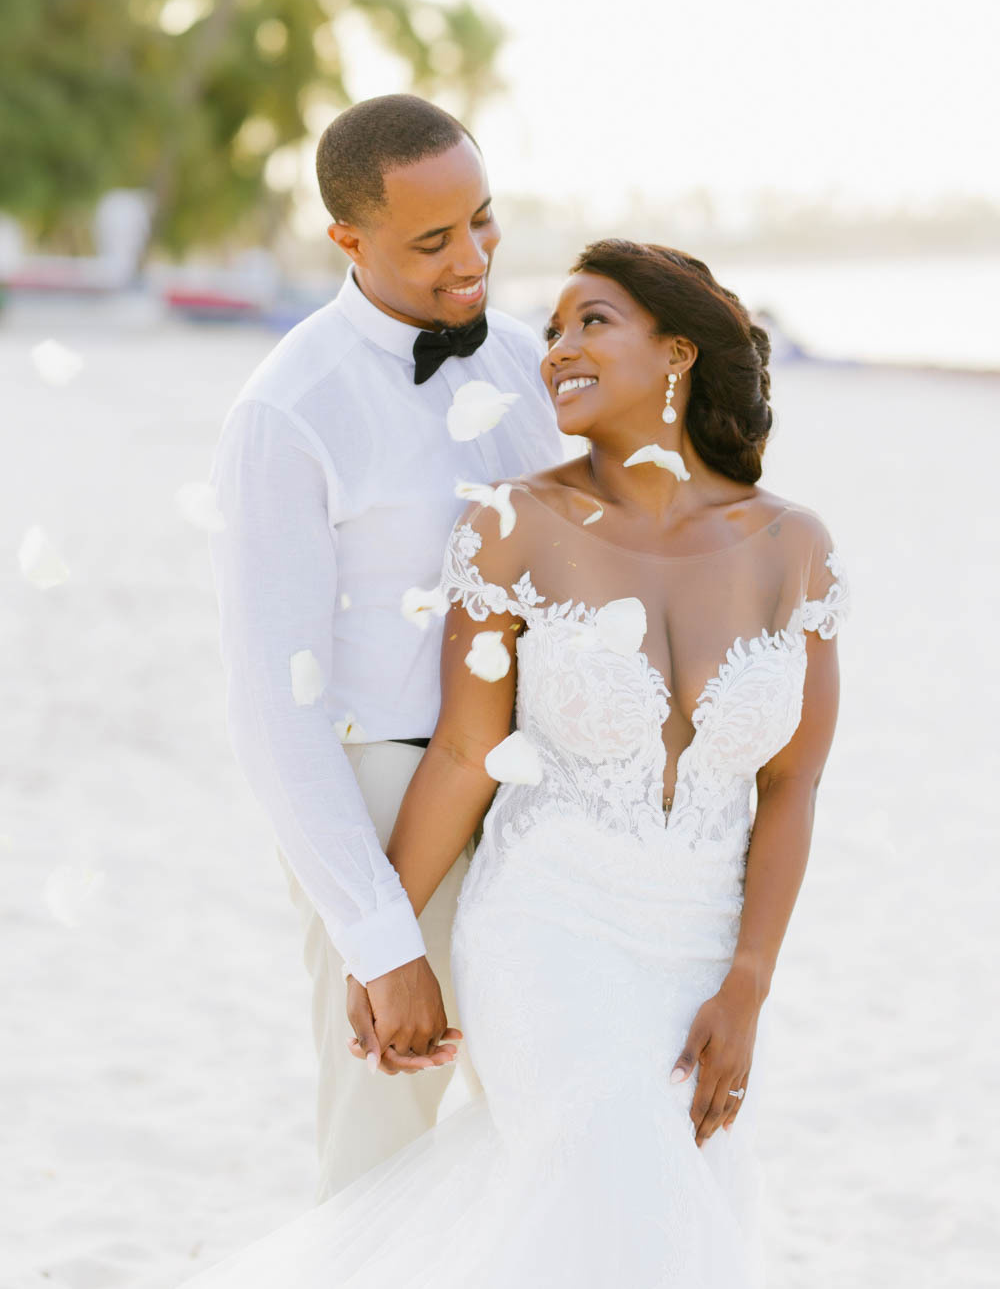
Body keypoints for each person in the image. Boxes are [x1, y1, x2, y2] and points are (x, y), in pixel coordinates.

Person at [192, 238, 848, 1288]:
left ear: (678, 352)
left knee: (677, 1206)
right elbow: (462, 750)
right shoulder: (510, 526)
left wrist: (749, 985)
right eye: (550, 331)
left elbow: (792, 785)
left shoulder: (793, 547)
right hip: (549, 936)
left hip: (701, 958)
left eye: (592, 322)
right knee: (610, 1156)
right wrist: (383, 940)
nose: (555, 351)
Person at [208, 94, 563, 1199]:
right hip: (380, 795)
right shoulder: (288, 412)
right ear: (346, 241)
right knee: (379, 1164)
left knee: (555, 1145)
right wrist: (378, 936)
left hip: (544, 800)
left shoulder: (531, 365)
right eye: (432, 240)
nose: (472, 258)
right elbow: (273, 707)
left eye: (483, 222)